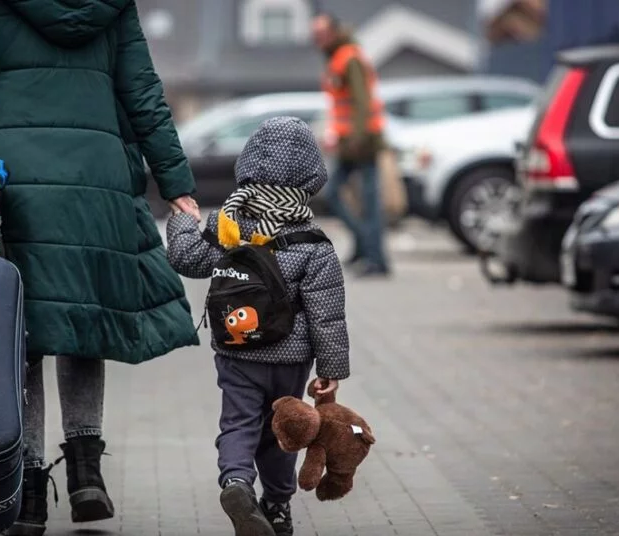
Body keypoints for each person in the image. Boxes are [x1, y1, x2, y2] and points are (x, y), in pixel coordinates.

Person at [0, 1, 201, 534]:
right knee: (81, 321)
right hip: (94, 180)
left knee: (20, 333)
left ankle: (27, 486)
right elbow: (140, 87)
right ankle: (85, 471)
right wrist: (176, 182)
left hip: (13, 177)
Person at [167, 117, 350, 536]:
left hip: (236, 350)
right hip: (290, 358)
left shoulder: (227, 227)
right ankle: (278, 506)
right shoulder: (312, 241)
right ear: (311, 174)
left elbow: (185, 259)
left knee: (238, 422)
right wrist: (331, 372)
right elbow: (327, 312)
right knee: (284, 430)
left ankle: (235, 482)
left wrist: (182, 218)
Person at [312, 13, 390, 277]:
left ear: (334, 32)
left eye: (321, 34)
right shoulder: (337, 58)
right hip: (350, 140)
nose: (317, 40)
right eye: (315, 35)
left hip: (363, 140)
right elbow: (339, 105)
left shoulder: (350, 58)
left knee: (367, 201)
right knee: (337, 194)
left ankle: (376, 258)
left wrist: (356, 137)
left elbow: (362, 102)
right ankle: (364, 247)